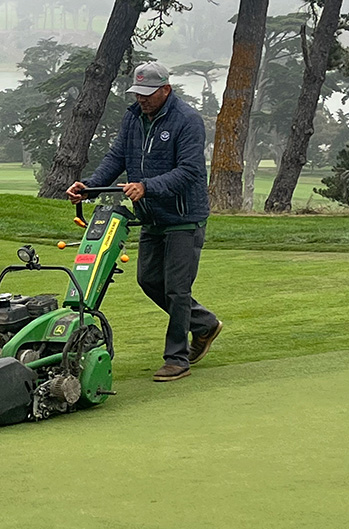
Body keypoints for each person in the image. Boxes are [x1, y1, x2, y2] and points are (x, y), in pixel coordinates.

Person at [66, 62, 222, 382]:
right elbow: (117, 157)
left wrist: (148, 186)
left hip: (183, 217)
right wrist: (90, 187)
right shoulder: (133, 117)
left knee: (178, 290)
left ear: (166, 89)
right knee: (149, 280)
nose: (142, 99)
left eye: (148, 93)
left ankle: (177, 358)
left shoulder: (187, 120)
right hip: (151, 216)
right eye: (138, 93)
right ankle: (204, 324)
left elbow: (190, 171)